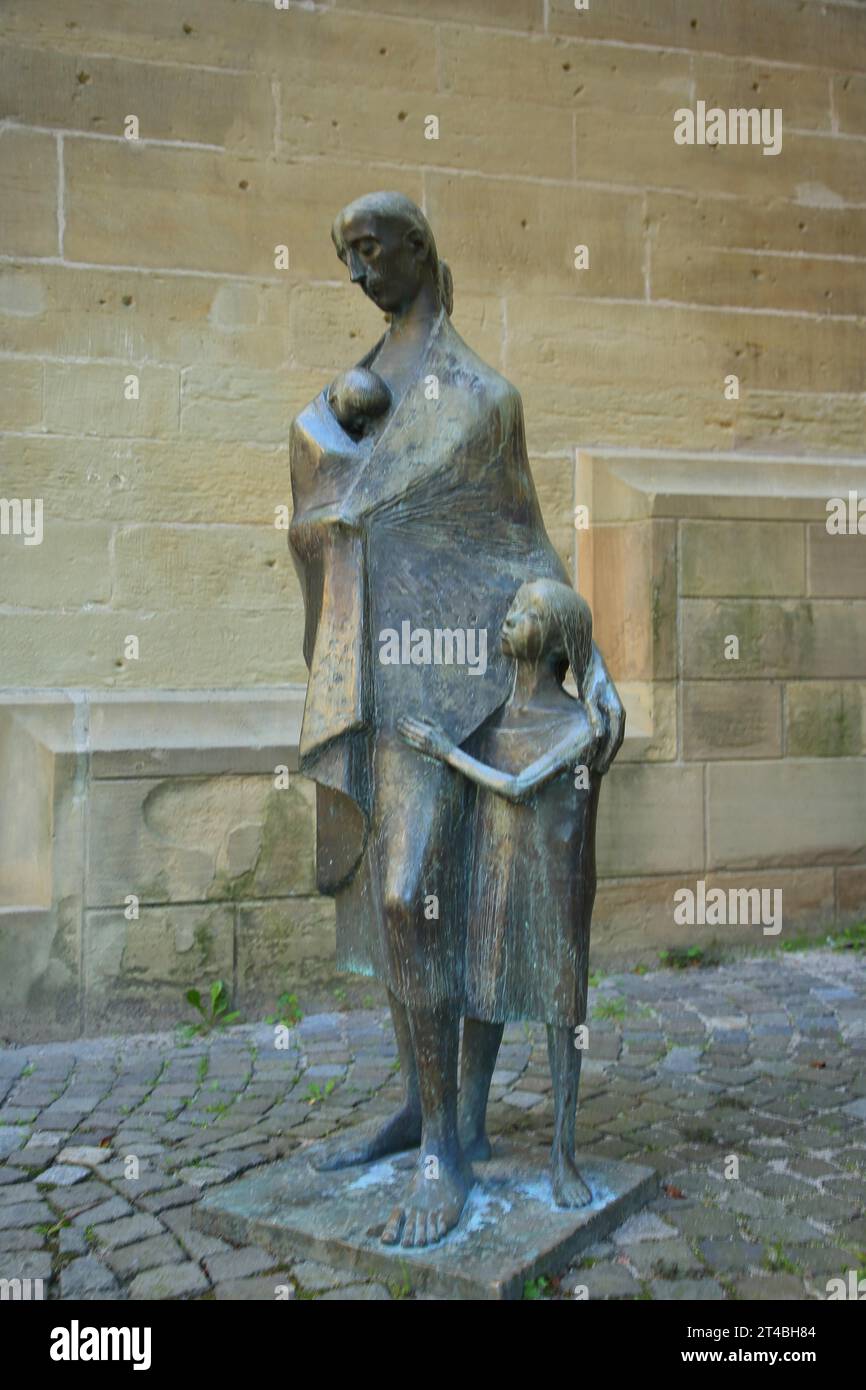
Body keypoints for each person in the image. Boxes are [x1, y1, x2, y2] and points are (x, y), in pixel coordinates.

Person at [289, 192, 625, 1247]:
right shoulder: (353, 391)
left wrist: (592, 662)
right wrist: (322, 449)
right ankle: (431, 1113)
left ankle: (450, 1141)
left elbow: (522, 539)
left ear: (420, 249)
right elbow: (319, 509)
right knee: (392, 910)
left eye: (370, 251)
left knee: (424, 899)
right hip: (380, 677)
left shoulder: (484, 399)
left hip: (469, 681)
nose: (357, 272)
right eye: (345, 256)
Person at [399, 579, 616, 1207]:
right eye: (513, 609)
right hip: (495, 872)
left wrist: (445, 752)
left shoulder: (582, 724)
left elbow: (520, 787)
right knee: (481, 992)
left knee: (560, 1007)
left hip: (556, 884)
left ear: (554, 646)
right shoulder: (491, 712)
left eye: (524, 616)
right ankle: (470, 1123)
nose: (508, 619)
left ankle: (563, 1154)